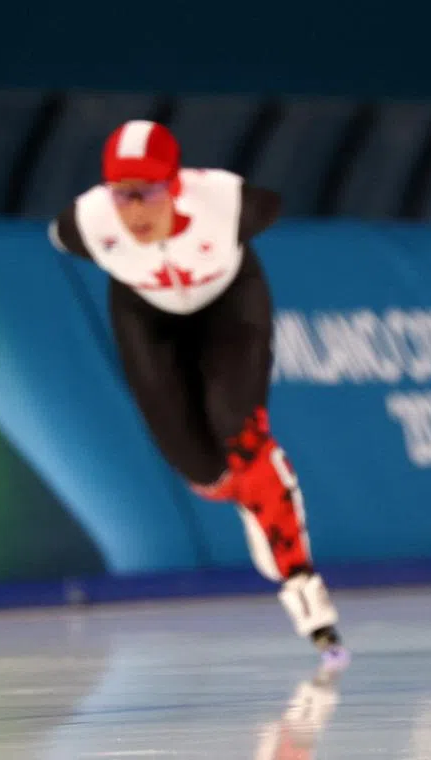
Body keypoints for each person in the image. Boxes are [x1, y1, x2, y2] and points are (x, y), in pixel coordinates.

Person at [47, 119, 348, 669]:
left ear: (177, 184)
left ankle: (299, 574)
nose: (134, 211)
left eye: (147, 193)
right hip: (145, 315)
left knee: (240, 427)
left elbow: (276, 203)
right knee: (202, 472)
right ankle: (253, 496)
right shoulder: (86, 223)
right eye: (122, 195)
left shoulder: (230, 203)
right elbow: (61, 234)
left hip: (229, 304)